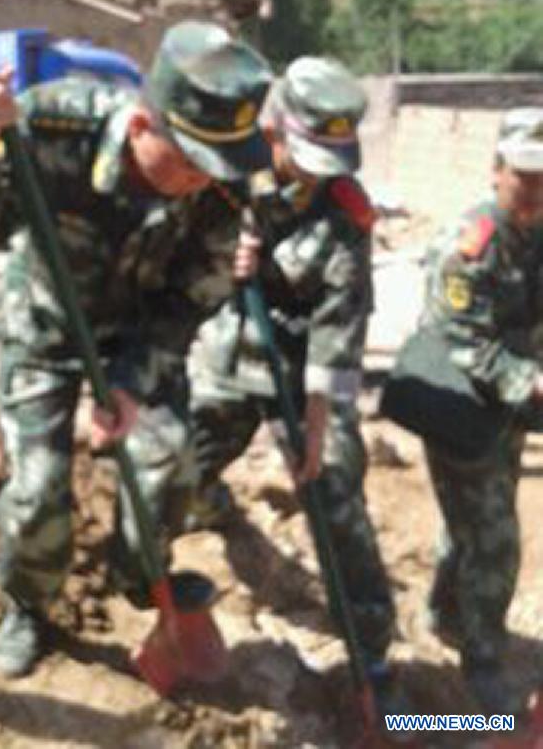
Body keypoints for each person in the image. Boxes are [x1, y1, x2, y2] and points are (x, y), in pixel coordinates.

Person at [0, 20, 272, 678]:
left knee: (168, 458)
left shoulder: (222, 179)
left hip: (140, 333)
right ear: (142, 125)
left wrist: (129, 384)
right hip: (46, 330)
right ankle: (29, 604)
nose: (204, 181)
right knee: (37, 494)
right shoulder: (49, 129)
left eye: (215, 166)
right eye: (189, 162)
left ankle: (139, 573)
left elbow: (193, 296)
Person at [185, 57, 402, 719]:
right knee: (171, 468)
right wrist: (226, 261)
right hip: (226, 350)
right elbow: (168, 268)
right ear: (274, 130)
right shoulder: (221, 172)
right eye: (304, 153)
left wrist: (310, 433)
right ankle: (205, 509)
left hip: (302, 366)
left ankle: (372, 661)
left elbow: (340, 329)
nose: (314, 172)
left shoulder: (343, 214)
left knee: (334, 484)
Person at [417, 107, 543, 717]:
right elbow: (462, 346)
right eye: (526, 176)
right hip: (456, 401)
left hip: (509, 408)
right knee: (494, 538)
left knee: (469, 522)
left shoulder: (537, 234)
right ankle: (483, 658)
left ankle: (445, 612)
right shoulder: (469, 247)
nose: (536, 190)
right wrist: (535, 382)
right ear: (496, 171)